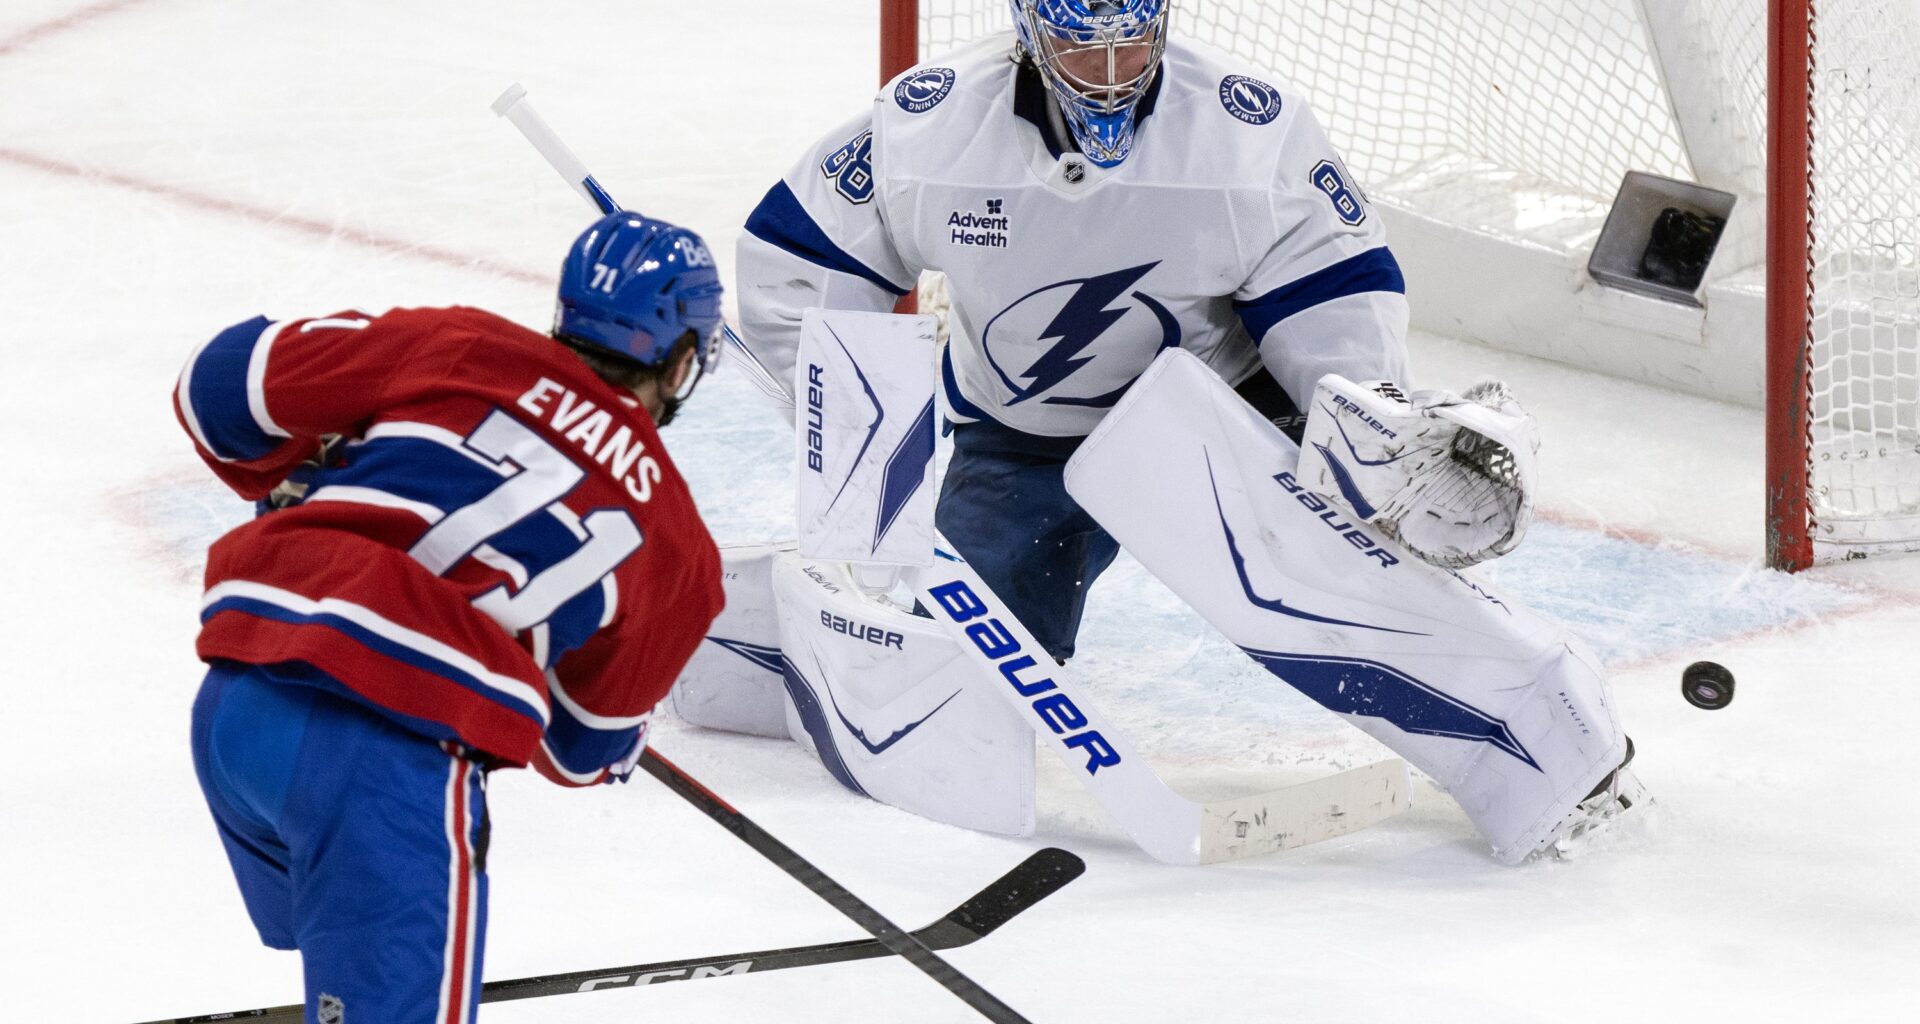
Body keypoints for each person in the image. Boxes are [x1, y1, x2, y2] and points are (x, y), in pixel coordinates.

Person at [733, 0, 1643, 861]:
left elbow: (1330, 284)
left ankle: (1545, 746)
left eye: (1132, 43)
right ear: (1029, 32)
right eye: (1084, 46)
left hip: (1213, 415)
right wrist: (854, 432)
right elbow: (800, 253)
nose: (1112, 73)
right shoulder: (929, 126)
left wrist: (1368, 426)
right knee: (956, 682)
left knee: (1335, 583)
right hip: (1018, 441)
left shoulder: (1248, 131)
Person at [176, 211, 727, 1022]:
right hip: (384, 759)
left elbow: (213, 386)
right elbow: (579, 749)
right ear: (681, 364)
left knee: (336, 973)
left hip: (237, 701)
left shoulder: (462, 344)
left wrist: (296, 474)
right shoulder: (681, 550)